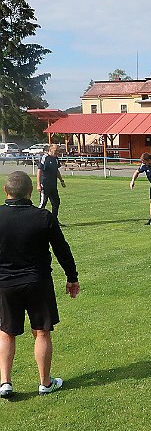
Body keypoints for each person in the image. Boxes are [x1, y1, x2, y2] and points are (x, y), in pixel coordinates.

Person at [0, 171, 80, 398]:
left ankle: (5, 382)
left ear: (6, 192)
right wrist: (72, 277)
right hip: (38, 282)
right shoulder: (43, 217)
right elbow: (62, 250)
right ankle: (45, 382)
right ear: (30, 192)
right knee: (42, 332)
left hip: (5, 284)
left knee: (5, 333)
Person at [37, 144, 66, 224]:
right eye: (56, 150)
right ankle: (37, 221)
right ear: (50, 150)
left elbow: (56, 170)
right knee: (43, 203)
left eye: (58, 151)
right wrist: (38, 184)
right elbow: (39, 171)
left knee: (56, 202)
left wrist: (61, 180)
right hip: (45, 185)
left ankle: (54, 221)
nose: (57, 152)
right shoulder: (44, 158)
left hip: (53, 185)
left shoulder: (56, 159)